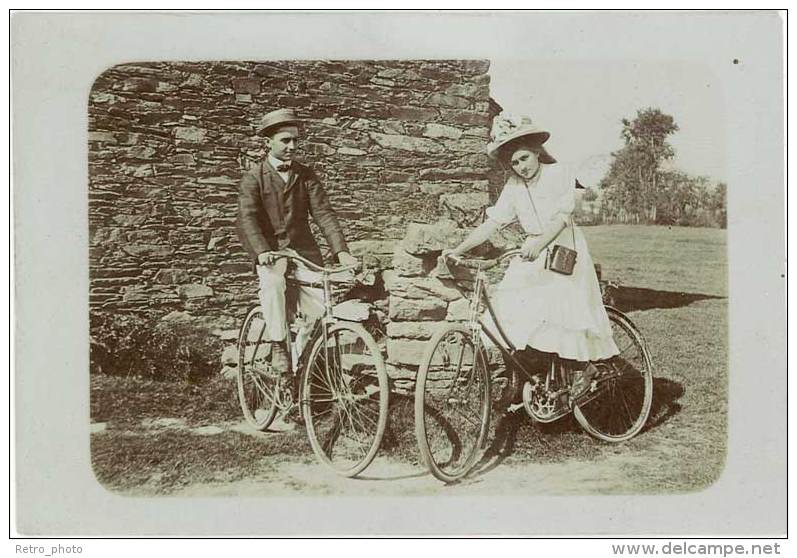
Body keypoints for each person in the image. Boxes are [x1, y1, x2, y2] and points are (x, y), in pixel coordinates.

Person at [442, 113, 619, 398]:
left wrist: (540, 243)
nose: (520, 167)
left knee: (560, 310)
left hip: (564, 249)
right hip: (533, 250)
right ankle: (534, 378)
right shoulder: (513, 186)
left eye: (524, 158)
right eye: (514, 162)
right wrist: (459, 249)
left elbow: (562, 218)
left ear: (536, 152)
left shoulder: (559, 173)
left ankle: (581, 368)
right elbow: (493, 222)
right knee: (512, 306)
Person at [236, 108, 357, 426]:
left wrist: (341, 252)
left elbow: (324, 214)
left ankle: (300, 376)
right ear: (268, 142)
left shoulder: (306, 175)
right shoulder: (254, 177)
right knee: (273, 285)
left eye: (295, 141)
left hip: (304, 254)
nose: (291, 146)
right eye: (284, 140)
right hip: (272, 254)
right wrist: (262, 251)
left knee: (317, 314)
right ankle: (278, 346)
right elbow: (247, 218)